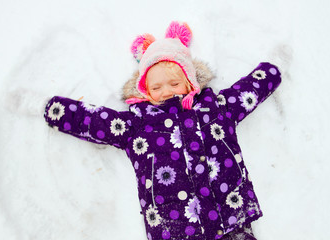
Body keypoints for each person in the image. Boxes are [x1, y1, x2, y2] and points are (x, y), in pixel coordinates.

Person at [44, 21, 282, 240]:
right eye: (156, 87)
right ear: (145, 91)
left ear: (190, 82)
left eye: (174, 83)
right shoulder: (138, 124)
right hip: (177, 226)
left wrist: (271, 72)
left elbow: (244, 93)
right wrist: (61, 111)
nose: (166, 91)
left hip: (229, 215)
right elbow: (98, 122)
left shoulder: (215, 109)